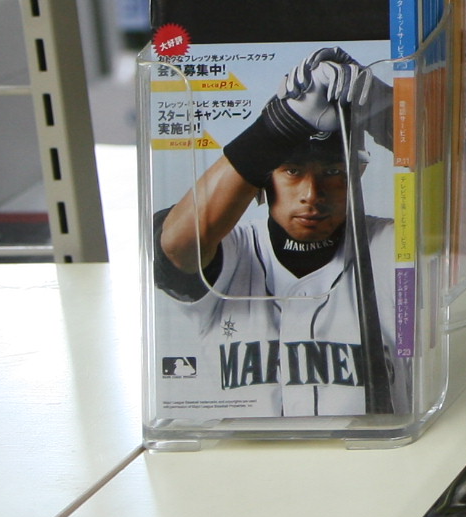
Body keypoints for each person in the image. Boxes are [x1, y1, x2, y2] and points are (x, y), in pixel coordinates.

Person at [152, 47, 397, 417]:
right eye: (292, 171)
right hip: (242, 452)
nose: (312, 194)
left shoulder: (388, 244)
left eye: (333, 171)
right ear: (263, 179)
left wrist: (388, 114)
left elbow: (460, 209)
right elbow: (174, 245)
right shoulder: (234, 250)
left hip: (371, 450)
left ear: (355, 174)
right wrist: (280, 125)